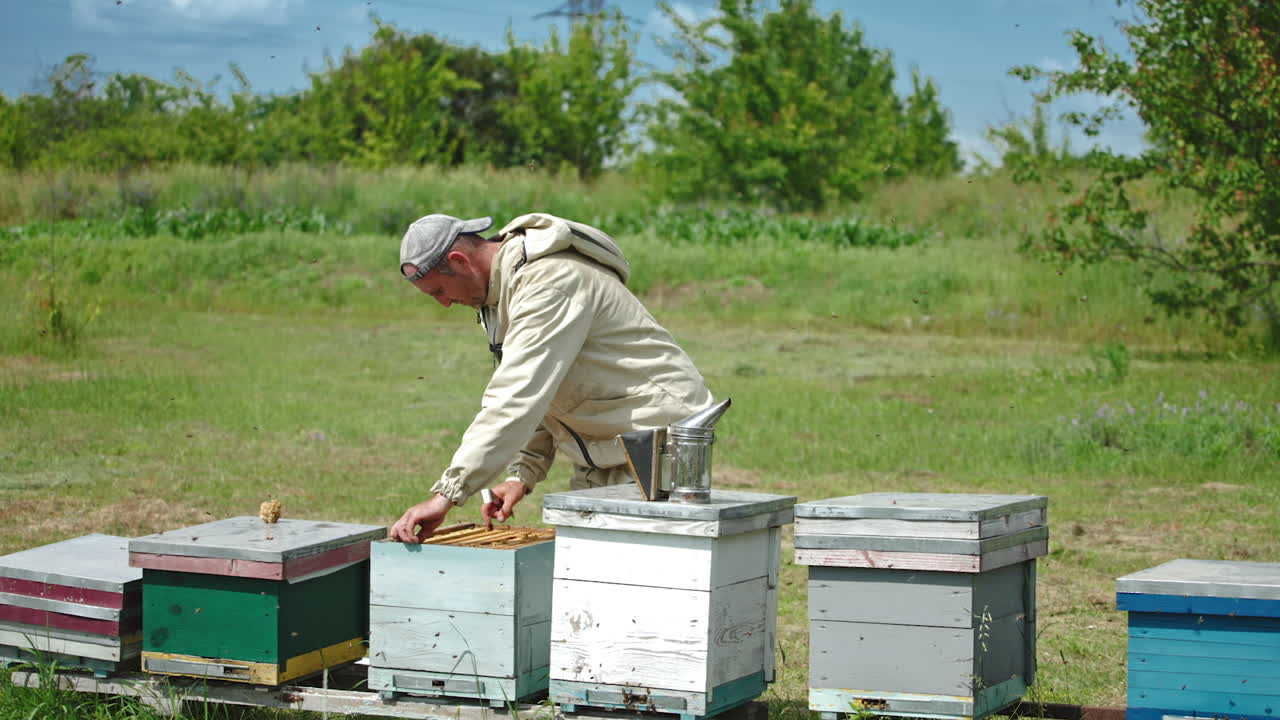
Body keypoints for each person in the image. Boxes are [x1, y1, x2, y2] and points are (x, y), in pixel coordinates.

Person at [389, 212, 714, 543]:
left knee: (647, 576)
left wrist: (447, 493)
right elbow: (546, 386)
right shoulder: (503, 291)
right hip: (604, 444)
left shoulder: (549, 282)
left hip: (656, 442)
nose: (444, 303)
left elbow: (517, 394)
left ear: (459, 261)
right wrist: (522, 474)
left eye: (439, 290)